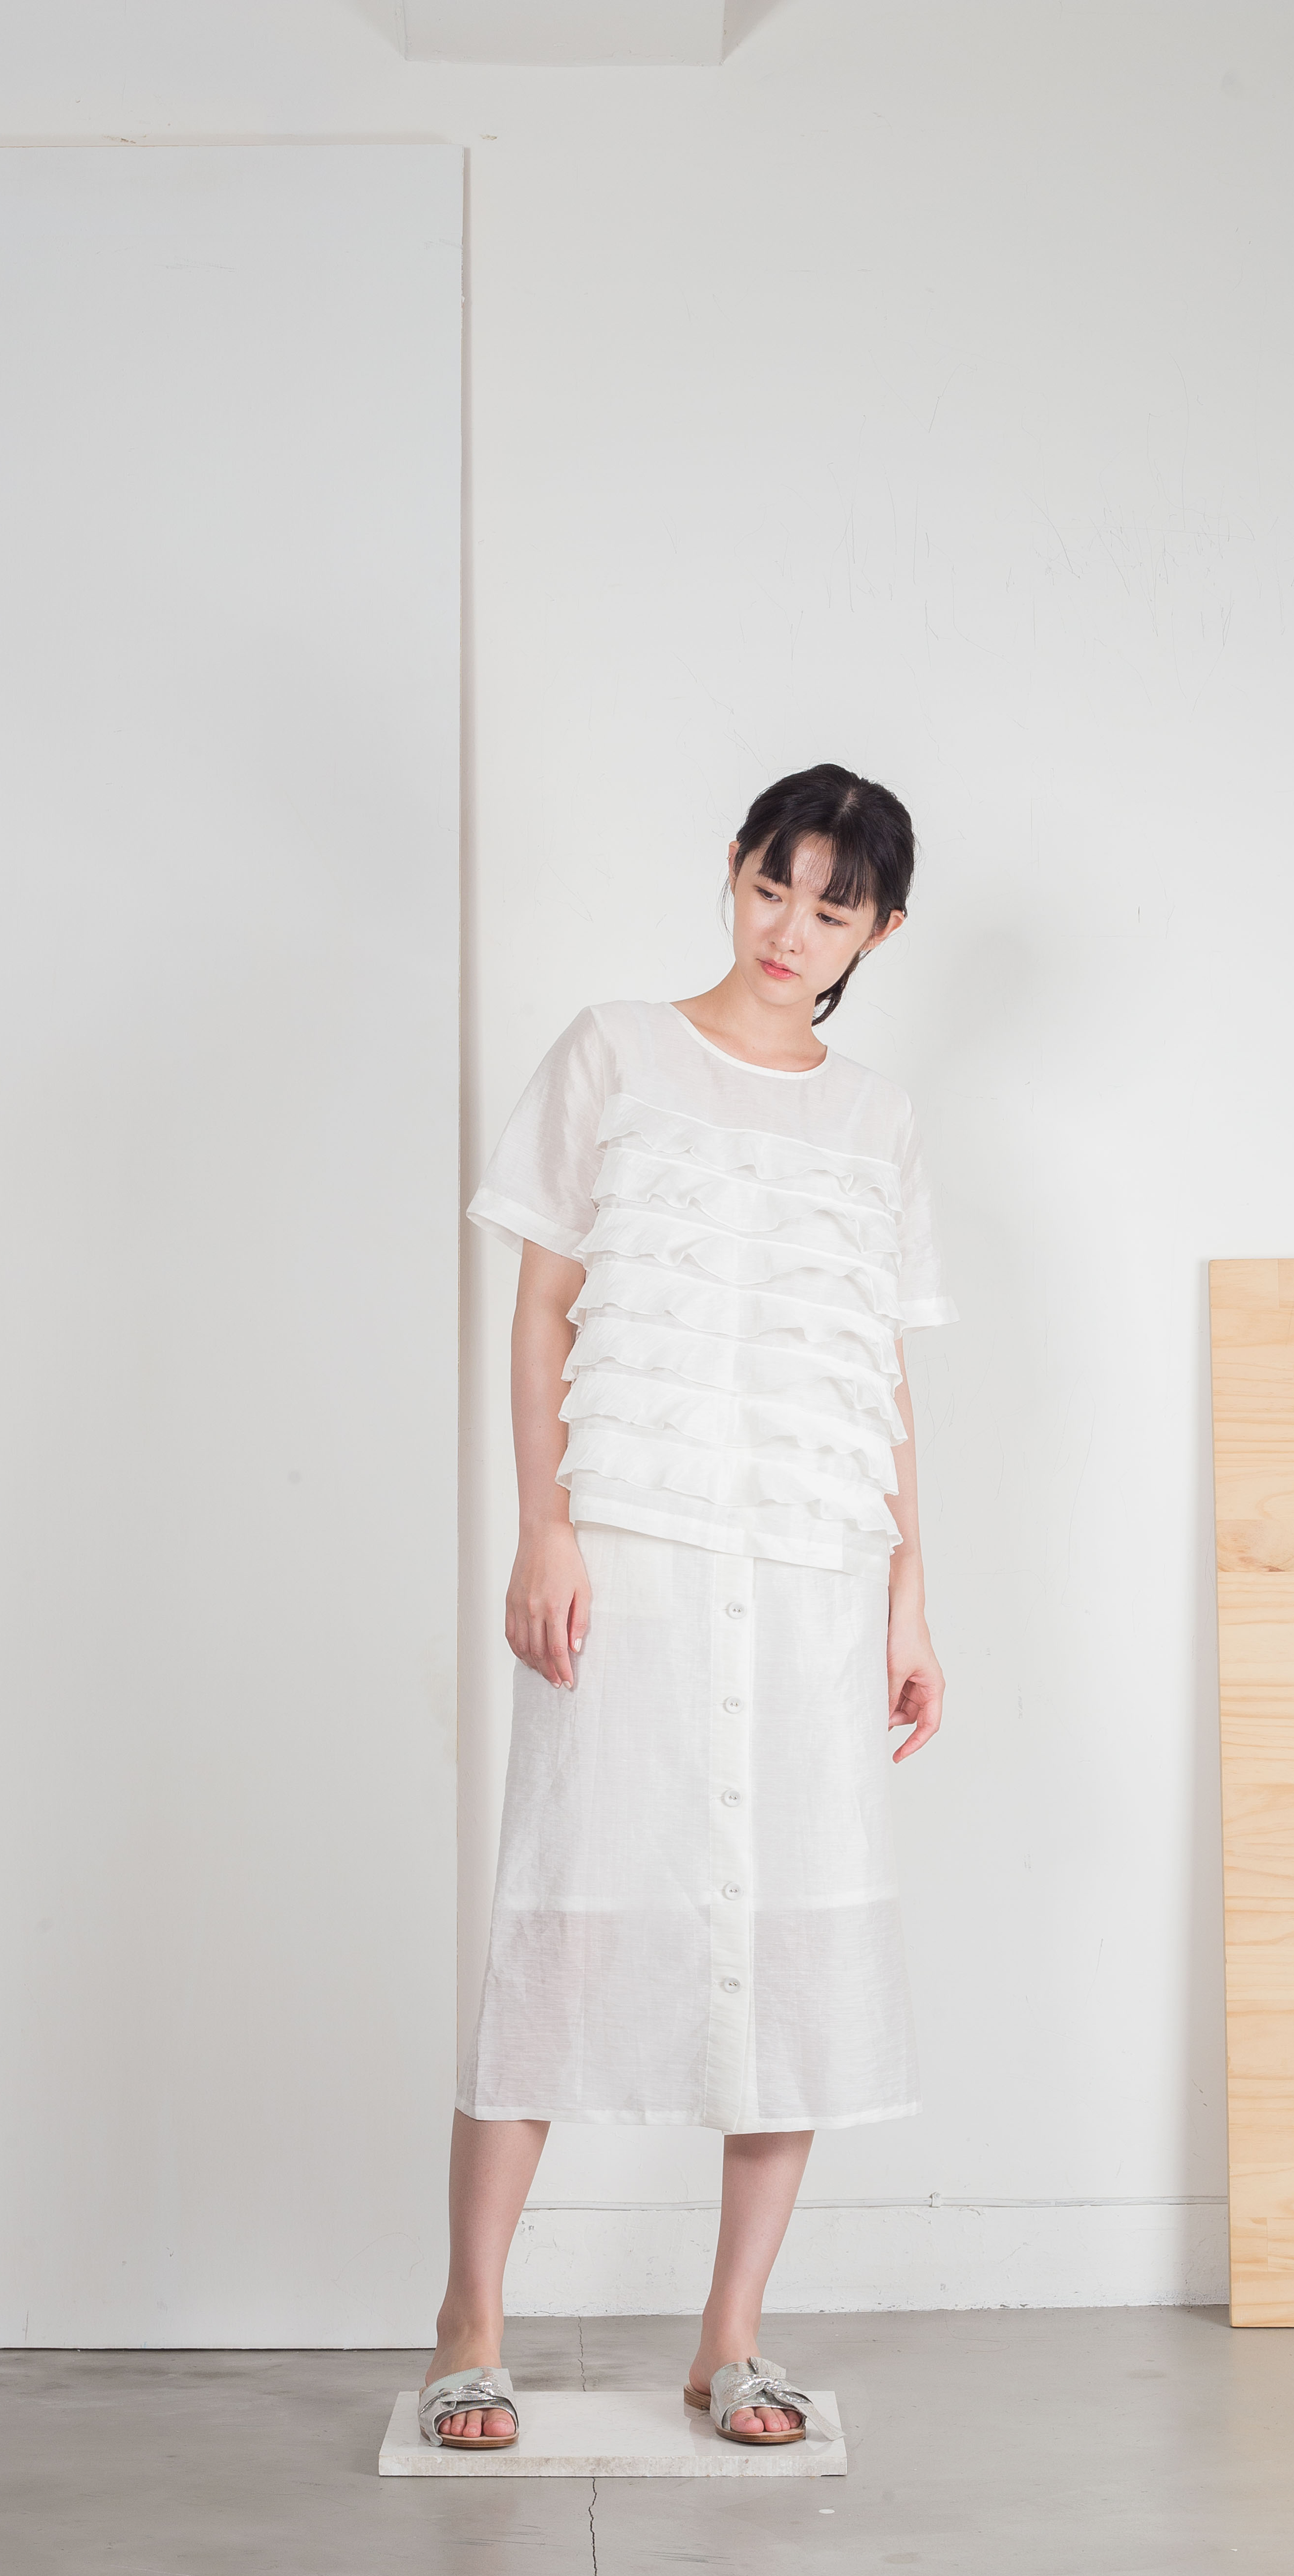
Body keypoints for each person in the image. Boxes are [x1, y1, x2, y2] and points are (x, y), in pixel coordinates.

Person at [418, 764, 957, 2451]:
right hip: (634, 1559)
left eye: (833, 908)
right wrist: (544, 1526)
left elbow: (876, 1373)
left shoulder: (877, 1121)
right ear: (733, 871)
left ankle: (734, 2338)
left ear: (881, 932)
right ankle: (470, 2322)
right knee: (560, 1918)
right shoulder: (614, 1054)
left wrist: (909, 1595)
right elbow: (544, 1309)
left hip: (811, 1575)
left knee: (790, 1949)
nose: (791, 930)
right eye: (772, 886)